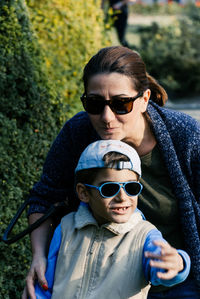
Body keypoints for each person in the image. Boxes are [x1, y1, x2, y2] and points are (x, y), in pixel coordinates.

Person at [22, 46, 200, 299]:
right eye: (94, 103)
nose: (106, 117)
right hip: (104, 285)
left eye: (121, 103)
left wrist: (180, 264)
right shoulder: (78, 132)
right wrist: (39, 258)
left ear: (144, 99)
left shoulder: (185, 135)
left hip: (177, 285)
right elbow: (44, 197)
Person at [34, 140, 190, 299]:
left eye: (131, 188)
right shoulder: (66, 227)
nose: (122, 197)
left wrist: (178, 264)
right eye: (109, 188)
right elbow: (46, 283)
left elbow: (161, 268)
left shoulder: (145, 235)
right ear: (84, 193)